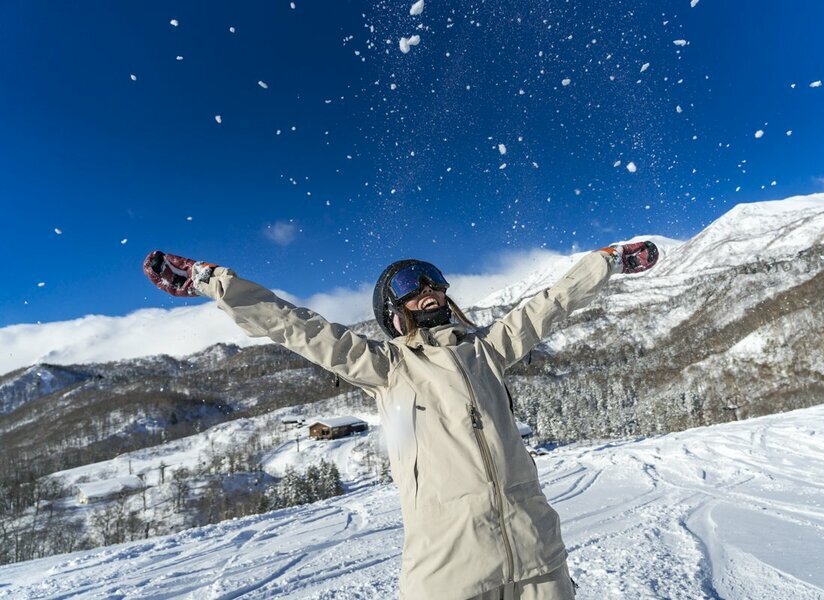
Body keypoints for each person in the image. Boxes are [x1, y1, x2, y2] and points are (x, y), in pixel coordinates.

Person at [143, 241, 659, 600]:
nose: (428, 290)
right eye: (412, 288)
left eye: (434, 282)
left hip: (536, 550)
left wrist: (606, 263)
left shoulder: (487, 351)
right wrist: (213, 282)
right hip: (450, 566)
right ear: (393, 311)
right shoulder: (386, 367)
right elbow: (296, 326)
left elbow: (548, 305)